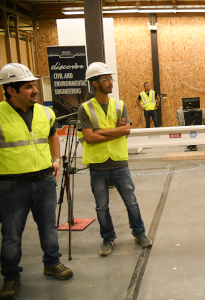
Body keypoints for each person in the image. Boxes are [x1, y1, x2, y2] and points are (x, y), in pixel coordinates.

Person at [0, 63, 73, 299]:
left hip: (43, 181)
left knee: (49, 227)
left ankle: (52, 263)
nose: (35, 90)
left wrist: (55, 159)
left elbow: (52, 134)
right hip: (11, 185)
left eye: (34, 85)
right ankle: (11, 277)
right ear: (11, 90)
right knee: (11, 235)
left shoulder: (45, 112)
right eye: (28, 87)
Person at [77, 62, 152, 256]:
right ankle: (107, 238)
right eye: (106, 79)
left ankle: (140, 233)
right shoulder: (85, 109)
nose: (110, 82)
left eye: (110, 78)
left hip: (119, 163)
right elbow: (89, 137)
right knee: (102, 206)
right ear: (94, 83)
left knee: (131, 202)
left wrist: (103, 131)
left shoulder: (119, 105)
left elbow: (126, 130)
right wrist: (115, 132)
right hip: (97, 165)